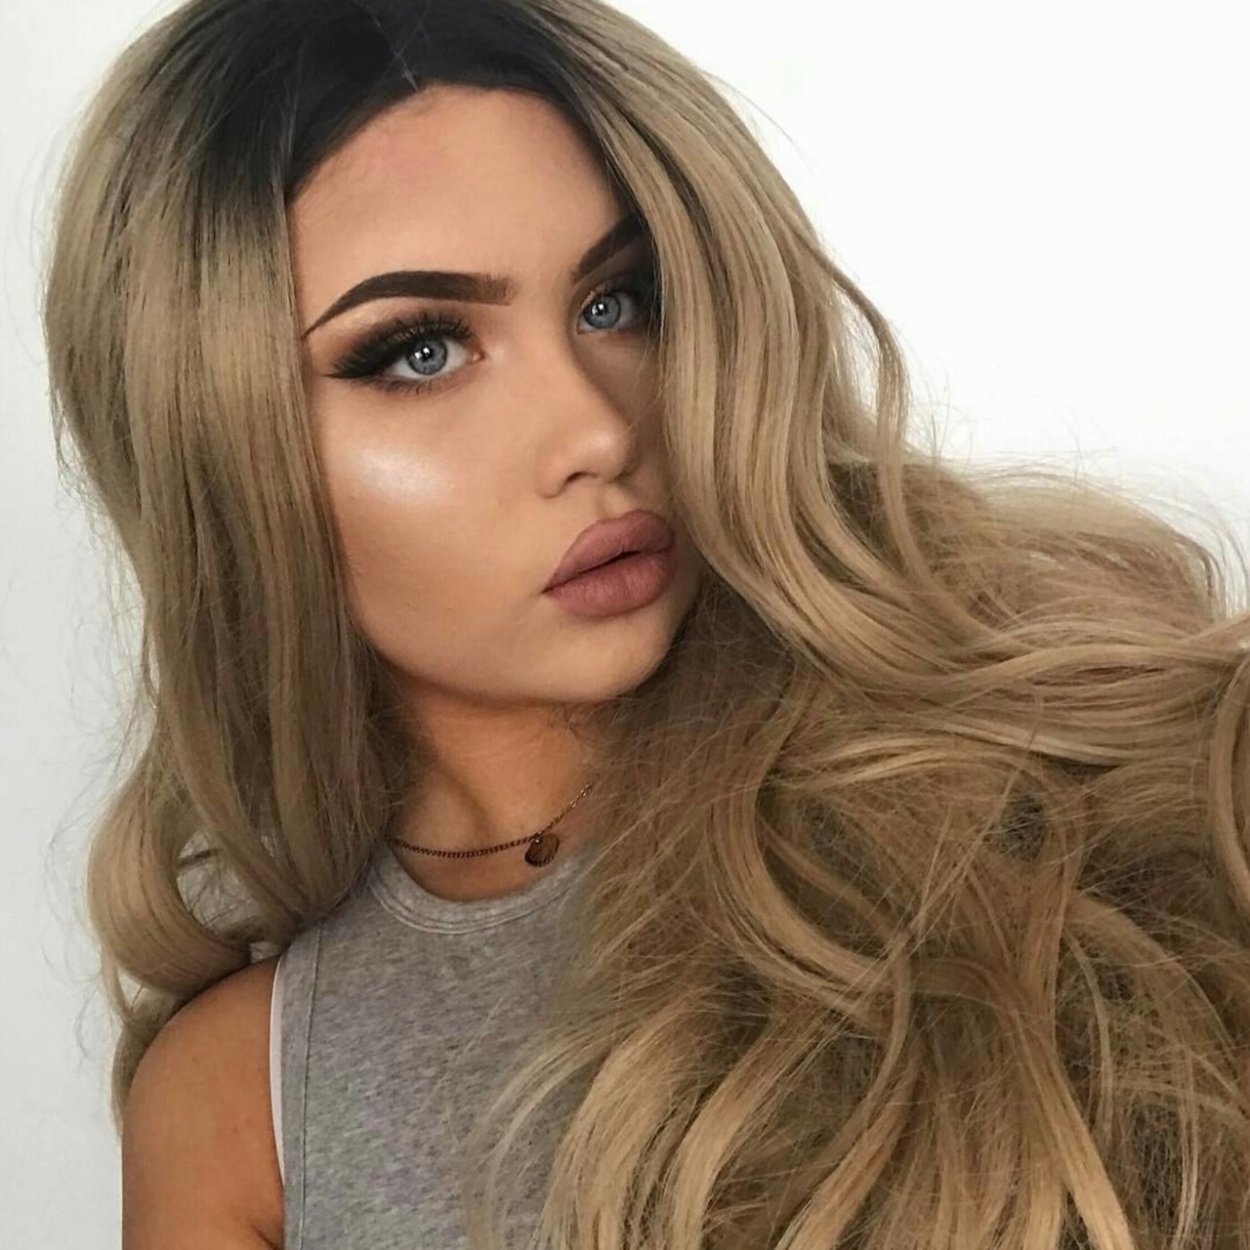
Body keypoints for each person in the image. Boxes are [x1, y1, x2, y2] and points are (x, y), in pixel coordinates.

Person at [40, 0, 1250, 1247]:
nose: (597, 428)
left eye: (616, 301)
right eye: (419, 351)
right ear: (212, 454)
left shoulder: (1096, 782)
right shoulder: (244, 1102)